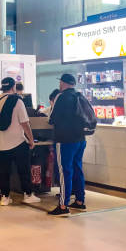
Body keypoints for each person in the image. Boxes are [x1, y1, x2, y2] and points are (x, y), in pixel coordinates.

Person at [0, 77, 40, 206]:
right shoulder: (17, 101)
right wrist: (31, 140)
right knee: (23, 169)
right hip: (16, 142)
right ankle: (28, 194)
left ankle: (5, 197)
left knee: (4, 171)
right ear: (13, 87)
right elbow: (25, 123)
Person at [49, 74, 87, 216]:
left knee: (64, 172)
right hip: (81, 139)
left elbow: (52, 119)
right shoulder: (79, 96)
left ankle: (63, 206)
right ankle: (79, 201)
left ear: (63, 83)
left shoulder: (61, 96)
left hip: (65, 140)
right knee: (78, 168)